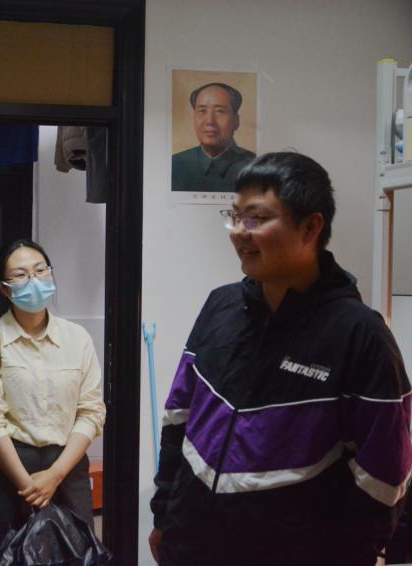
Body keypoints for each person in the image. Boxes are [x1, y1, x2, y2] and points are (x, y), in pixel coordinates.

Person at [150, 152, 412, 566]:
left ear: (311, 227)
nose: (240, 232)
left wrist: (351, 553)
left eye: (256, 218)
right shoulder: (221, 305)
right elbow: (178, 416)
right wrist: (165, 514)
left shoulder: (360, 334)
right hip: (190, 544)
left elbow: (384, 473)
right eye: (235, 216)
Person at [0, 239, 106, 557]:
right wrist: (28, 487)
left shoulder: (77, 338)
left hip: (67, 470)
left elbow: (91, 412)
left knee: (77, 555)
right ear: (3, 288)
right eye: (20, 275)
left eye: (41, 271)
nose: (34, 281)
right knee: (5, 557)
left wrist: (55, 476)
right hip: (6, 471)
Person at [171, 82, 255, 191]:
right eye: (202, 111)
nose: (210, 121)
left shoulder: (255, 166)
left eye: (220, 111)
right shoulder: (175, 164)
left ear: (236, 120)